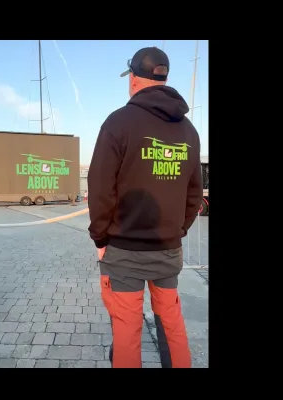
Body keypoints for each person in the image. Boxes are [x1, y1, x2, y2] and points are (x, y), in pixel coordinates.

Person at [87, 47, 202, 368]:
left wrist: (100, 238)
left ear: (134, 79)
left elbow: (99, 187)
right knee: (172, 325)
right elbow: (195, 193)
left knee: (127, 329)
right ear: (163, 77)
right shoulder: (189, 131)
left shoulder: (118, 123)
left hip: (124, 251)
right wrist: (177, 230)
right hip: (167, 249)